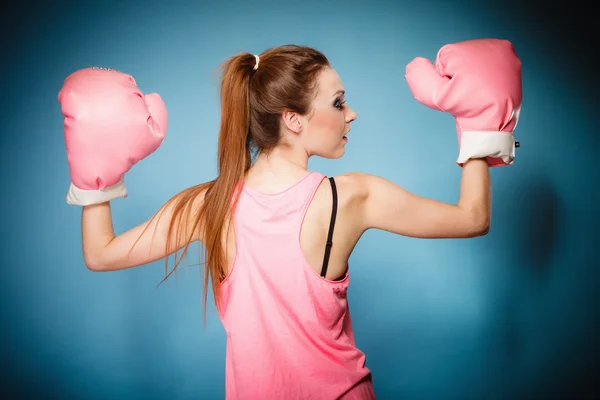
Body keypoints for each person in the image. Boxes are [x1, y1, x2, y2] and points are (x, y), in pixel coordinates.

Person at [63, 42, 521, 399]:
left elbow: (100, 254)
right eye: (339, 101)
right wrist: (480, 122)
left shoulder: (211, 204)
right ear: (293, 120)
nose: (352, 112)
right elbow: (472, 218)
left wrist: (95, 175)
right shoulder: (351, 195)